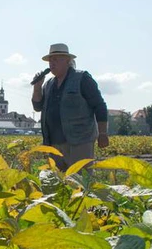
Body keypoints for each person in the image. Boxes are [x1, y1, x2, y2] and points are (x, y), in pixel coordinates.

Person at [31, 43, 109, 171]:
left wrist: (103, 133)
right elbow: (37, 106)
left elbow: (99, 106)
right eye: (50, 60)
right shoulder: (49, 84)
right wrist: (37, 87)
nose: (52, 63)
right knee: (59, 184)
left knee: (80, 182)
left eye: (56, 59)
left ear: (67, 60)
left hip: (79, 142)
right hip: (54, 144)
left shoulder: (82, 78)